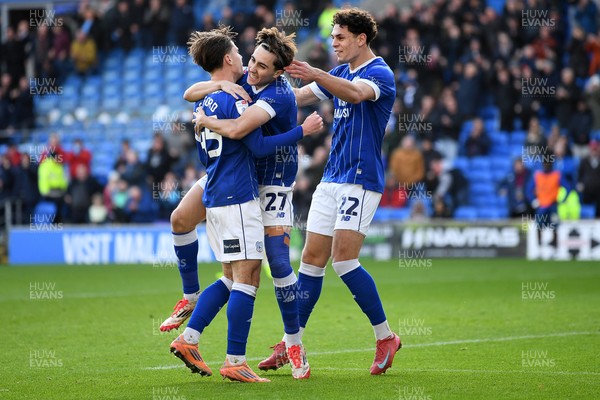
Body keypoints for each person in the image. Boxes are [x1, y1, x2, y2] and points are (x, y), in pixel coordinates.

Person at [167, 26, 322, 383]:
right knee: (237, 270)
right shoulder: (241, 88)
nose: (251, 68)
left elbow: (239, 129)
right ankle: (216, 342)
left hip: (269, 183)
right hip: (240, 184)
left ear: (277, 72)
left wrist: (206, 118)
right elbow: (198, 96)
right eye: (250, 59)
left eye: (261, 66)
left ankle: (292, 342)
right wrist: (218, 86)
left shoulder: (280, 95)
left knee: (276, 263)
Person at [270, 8, 401, 375]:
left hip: (361, 179)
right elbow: (296, 99)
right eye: (333, 37)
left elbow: (357, 95)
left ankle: (385, 337)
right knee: (310, 261)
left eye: (340, 37)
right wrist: (254, 92)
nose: (334, 43)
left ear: (361, 39)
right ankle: (290, 342)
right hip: (331, 179)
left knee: (344, 261)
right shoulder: (337, 73)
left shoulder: (379, 73)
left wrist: (315, 73)